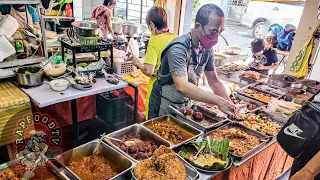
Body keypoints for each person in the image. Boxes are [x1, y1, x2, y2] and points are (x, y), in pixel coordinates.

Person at [148, 4, 235, 119]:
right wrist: (217, 100)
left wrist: (229, 105)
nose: (217, 37)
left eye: (220, 31)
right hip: (163, 103)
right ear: (198, 26)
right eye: (213, 31)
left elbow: (213, 81)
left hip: (184, 103)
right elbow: (182, 85)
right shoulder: (178, 48)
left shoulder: (206, 49)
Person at [131, 6, 177, 120]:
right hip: (173, 88)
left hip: (157, 88)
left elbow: (149, 70)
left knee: (153, 122)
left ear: (152, 24)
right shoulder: (176, 38)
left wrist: (138, 63)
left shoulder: (154, 41)